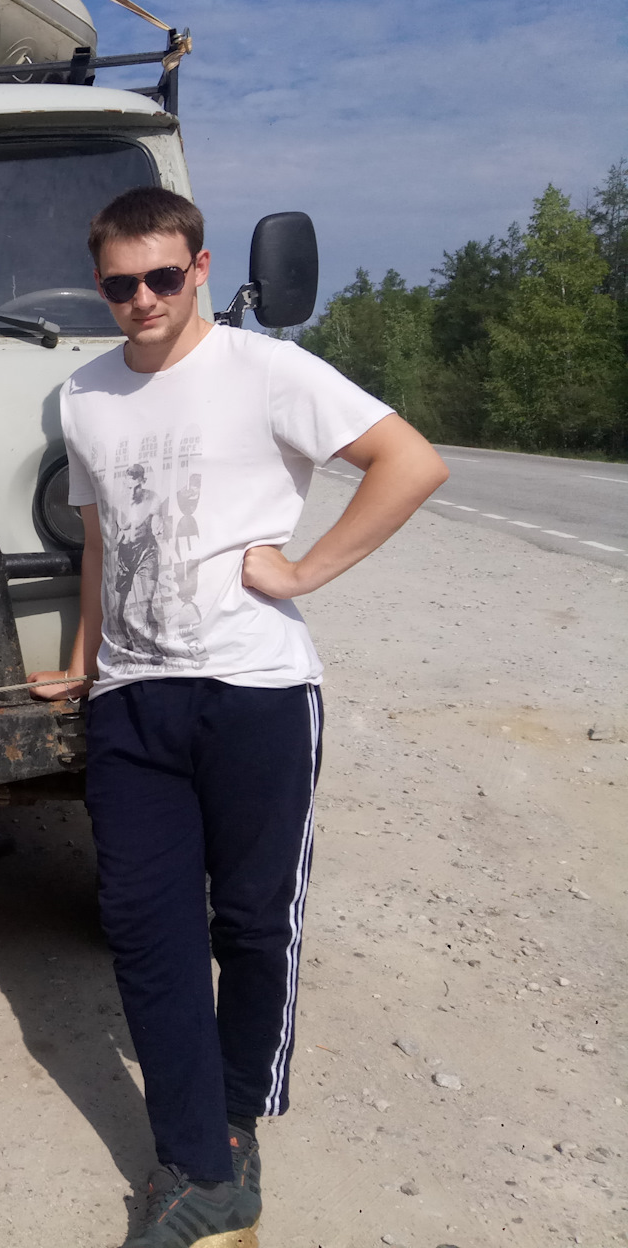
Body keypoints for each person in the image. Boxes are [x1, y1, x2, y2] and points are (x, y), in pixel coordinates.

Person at [29, 188, 449, 1246]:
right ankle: (202, 1171)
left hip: (256, 691)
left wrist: (308, 565)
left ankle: (236, 1112)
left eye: (162, 277)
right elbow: (98, 541)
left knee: (255, 923)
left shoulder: (266, 369)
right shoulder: (81, 396)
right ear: (101, 283)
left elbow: (412, 461)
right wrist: (83, 660)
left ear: (200, 267)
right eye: (121, 283)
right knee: (143, 926)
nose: (142, 300)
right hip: (132, 697)